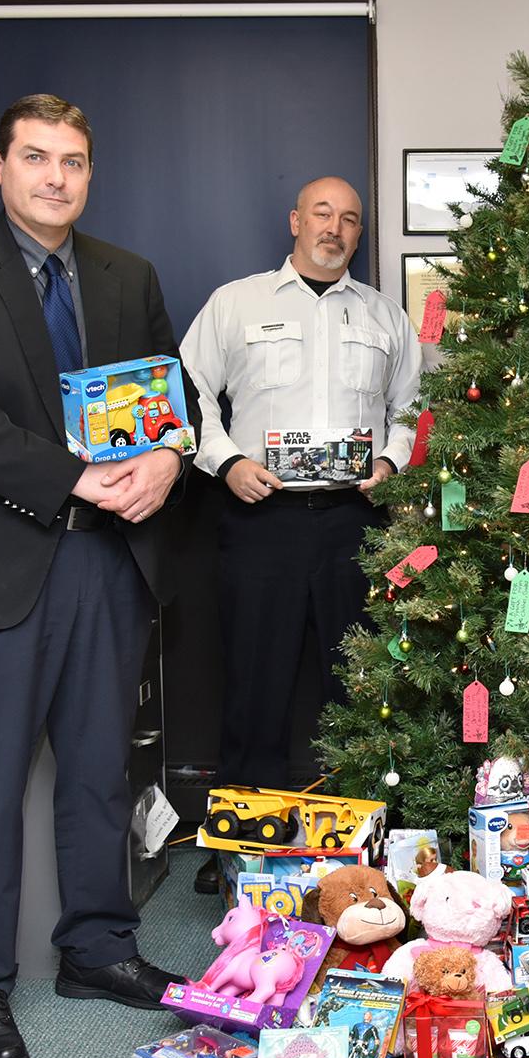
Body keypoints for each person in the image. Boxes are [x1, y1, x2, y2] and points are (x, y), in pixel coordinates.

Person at [0, 94, 192, 1058]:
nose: (55, 175)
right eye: (36, 157)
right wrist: (69, 474)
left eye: (73, 160)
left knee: (102, 770)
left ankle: (96, 947)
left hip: (108, 559)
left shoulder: (128, 275)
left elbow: (166, 401)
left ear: (89, 173)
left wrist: (168, 460)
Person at [182, 177, 421, 892]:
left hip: (355, 522)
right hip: (262, 518)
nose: (335, 228)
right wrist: (226, 462)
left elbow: (413, 407)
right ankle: (237, 848)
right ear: (294, 220)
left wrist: (390, 459)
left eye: (349, 219)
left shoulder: (384, 316)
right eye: (322, 213)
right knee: (255, 687)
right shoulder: (236, 302)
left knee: (360, 688)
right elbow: (183, 390)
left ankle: (364, 849)